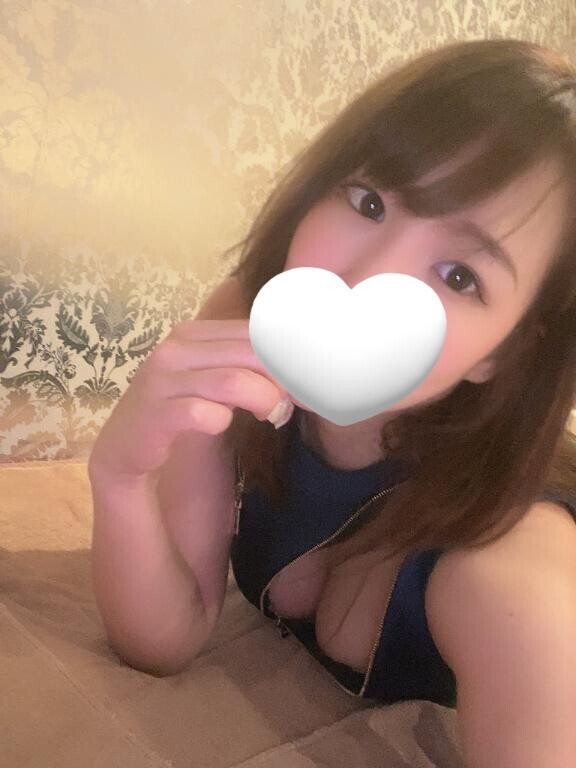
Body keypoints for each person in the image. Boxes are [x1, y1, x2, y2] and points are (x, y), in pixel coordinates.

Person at [89, 38, 576, 766]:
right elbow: (165, 638)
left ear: (502, 354)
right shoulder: (241, 331)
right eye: (369, 201)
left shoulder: (512, 573)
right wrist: (119, 477)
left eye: (459, 276)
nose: (366, 277)